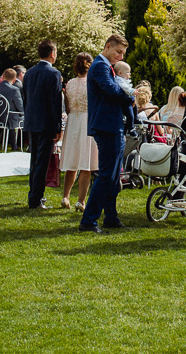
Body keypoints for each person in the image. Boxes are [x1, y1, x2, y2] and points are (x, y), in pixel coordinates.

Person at [80, 34, 135, 234]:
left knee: (113, 176)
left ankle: (110, 216)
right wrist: (130, 96)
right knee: (106, 175)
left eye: (122, 54)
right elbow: (112, 90)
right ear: (108, 46)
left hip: (112, 126)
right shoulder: (100, 66)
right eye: (118, 52)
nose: (120, 57)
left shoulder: (106, 66)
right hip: (106, 126)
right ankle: (89, 220)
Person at [22, 41, 63, 209]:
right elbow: (55, 103)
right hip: (46, 123)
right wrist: (57, 127)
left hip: (31, 121)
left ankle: (34, 194)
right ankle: (36, 198)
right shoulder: (53, 74)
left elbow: (25, 98)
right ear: (52, 54)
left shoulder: (29, 73)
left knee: (34, 161)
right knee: (42, 162)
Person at [61, 53, 99, 211]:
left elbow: (68, 107)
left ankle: (65, 197)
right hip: (86, 121)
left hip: (73, 122)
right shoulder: (92, 83)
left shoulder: (69, 83)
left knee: (72, 162)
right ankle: (81, 201)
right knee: (86, 164)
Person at [0, 68, 25, 149]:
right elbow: (20, 106)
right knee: (20, 117)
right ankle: (15, 145)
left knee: (10, 115)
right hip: (10, 118)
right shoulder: (14, 90)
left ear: (2, 77)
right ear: (14, 80)